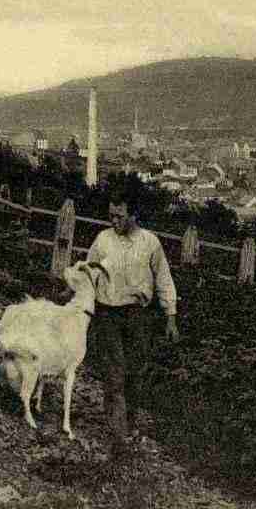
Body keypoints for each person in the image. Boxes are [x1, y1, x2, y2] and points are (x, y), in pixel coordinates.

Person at [86, 187, 180, 457]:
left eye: (119, 216)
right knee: (113, 371)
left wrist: (170, 317)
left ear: (134, 215)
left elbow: (163, 279)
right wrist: (73, 296)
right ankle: (118, 433)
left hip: (138, 316)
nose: (113, 222)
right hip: (107, 314)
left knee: (135, 371)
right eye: (110, 216)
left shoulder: (150, 243)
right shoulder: (102, 240)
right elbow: (88, 271)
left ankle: (130, 421)